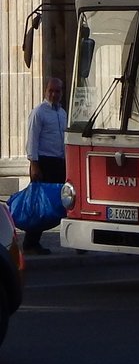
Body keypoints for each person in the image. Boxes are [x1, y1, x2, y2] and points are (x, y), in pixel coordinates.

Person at [23, 77, 66, 254]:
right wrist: (34, 164)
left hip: (59, 162)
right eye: (51, 91)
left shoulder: (62, 113)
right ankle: (30, 242)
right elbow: (32, 139)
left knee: (64, 200)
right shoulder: (39, 112)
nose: (54, 94)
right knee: (39, 204)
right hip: (43, 162)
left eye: (57, 91)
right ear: (45, 91)